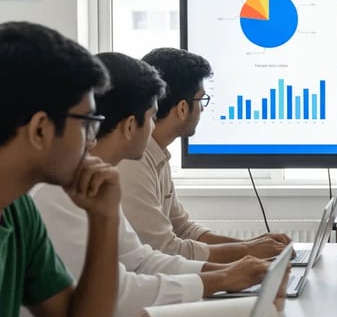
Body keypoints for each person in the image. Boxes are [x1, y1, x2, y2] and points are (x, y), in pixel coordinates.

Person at [13, 52, 278, 317]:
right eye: (86, 124)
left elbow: (137, 263)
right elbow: (118, 297)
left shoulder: (50, 200)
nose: (91, 138)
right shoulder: (53, 195)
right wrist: (220, 278)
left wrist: (229, 273)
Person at [0, 21, 175, 317]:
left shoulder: (18, 212)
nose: (93, 141)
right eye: (87, 124)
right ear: (42, 129)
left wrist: (104, 218)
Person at [118, 47, 290, 262]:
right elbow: (165, 249)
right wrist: (247, 252)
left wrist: (252, 245)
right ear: (182, 108)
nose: (203, 109)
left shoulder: (158, 154)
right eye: (201, 100)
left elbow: (183, 229)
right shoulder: (133, 161)